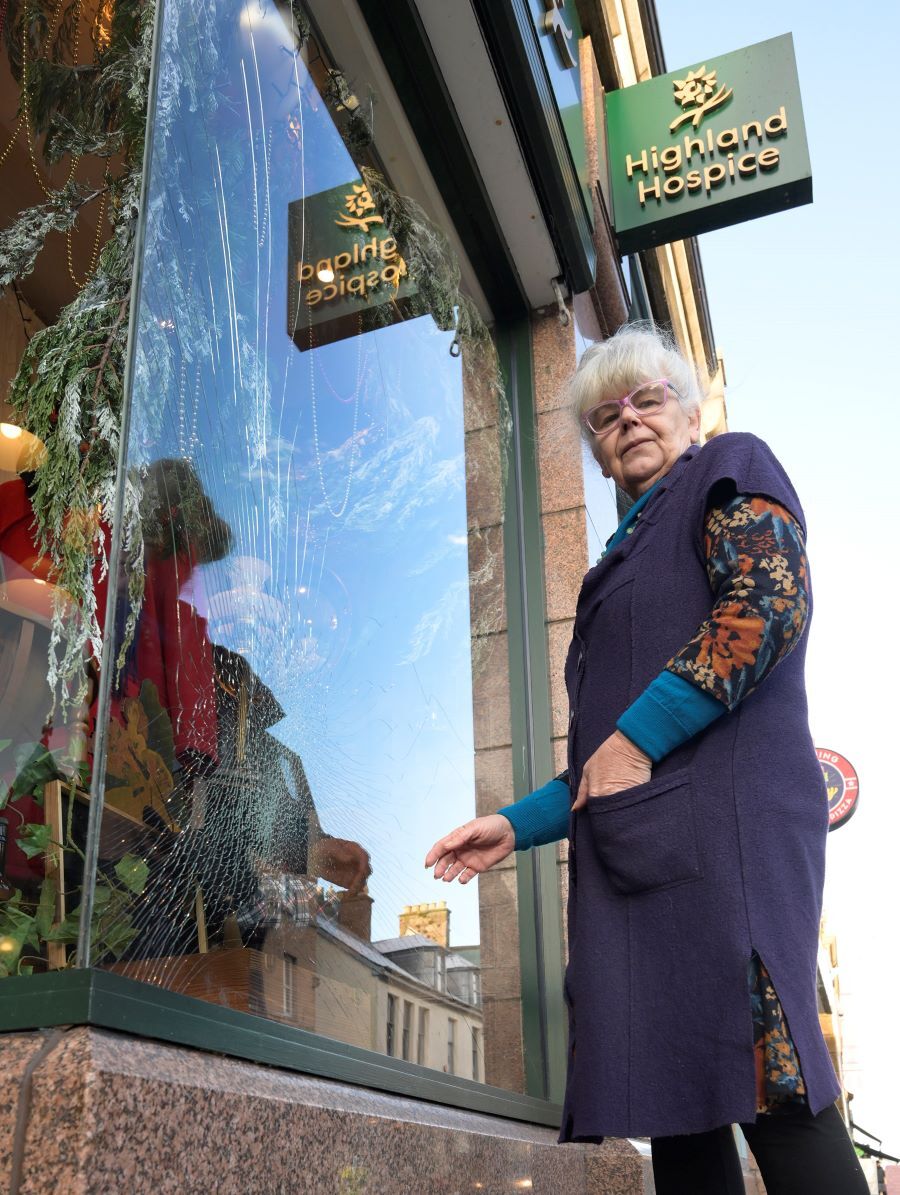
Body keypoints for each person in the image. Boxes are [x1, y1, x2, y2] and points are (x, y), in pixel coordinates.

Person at [425, 325, 867, 1195]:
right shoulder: (619, 558)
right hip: (646, 866)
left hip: (727, 848)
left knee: (775, 1095)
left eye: (647, 400)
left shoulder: (727, 465)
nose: (626, 421)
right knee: (680, 1110)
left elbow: (768, 603)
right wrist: (512, 825)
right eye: (604, 416)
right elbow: (603, 766)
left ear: (689, 411)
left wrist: (632, 740)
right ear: (594, 449)